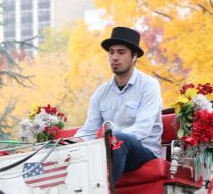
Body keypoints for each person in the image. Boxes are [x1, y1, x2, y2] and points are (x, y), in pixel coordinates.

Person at [67, 26, 163, 185]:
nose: (114, 57)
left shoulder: (149, 86)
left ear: (134, 56)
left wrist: (108, 140)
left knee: (118, 138)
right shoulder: (101, 93)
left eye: (121, 52)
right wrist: (71, 142)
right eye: (111, 52)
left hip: (142, 152)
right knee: (72, 148)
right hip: (109, 149)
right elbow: (90, 129)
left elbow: (142, 130)